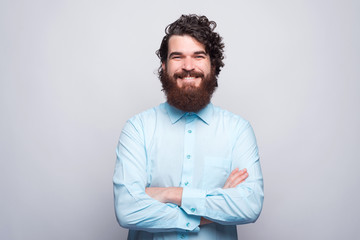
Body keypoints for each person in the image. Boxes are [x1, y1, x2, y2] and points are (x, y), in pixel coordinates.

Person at [113, 14, 264, 240]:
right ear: (164, 66)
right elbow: (127, 210)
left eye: (198, 56)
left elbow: (249, 206)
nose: (188, 66)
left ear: (213, 65)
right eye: (177, 57)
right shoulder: (138, 128)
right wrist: (214, 205)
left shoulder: (238, 130)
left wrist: (168, 194)